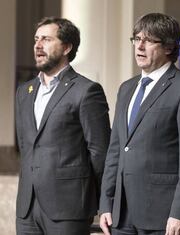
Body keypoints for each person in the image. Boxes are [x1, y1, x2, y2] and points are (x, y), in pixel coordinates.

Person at [99, 13, 180, 235]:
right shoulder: (126, 88)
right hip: (121, 213)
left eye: (148, 40)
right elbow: (116, 150)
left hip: (163, 213)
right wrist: (106, 202)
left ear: (168, 47)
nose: (140, 46)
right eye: (136, 39)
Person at [15, 17, 111, 235]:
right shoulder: (24, 92)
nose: (38, 45)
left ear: (67, 47)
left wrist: (104, 201)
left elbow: (100, 152)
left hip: (69, 207)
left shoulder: (86, 91)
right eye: (36, 39)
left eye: (46, 39)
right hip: (27, 208)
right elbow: (26, 146)